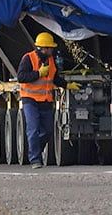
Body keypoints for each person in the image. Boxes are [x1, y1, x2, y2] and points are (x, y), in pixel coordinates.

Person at [16, 33, 78, 168]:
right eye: (49, 48)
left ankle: (35, 149)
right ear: (41, 48)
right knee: (33, 129)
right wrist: (38, 73)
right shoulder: (28, 58)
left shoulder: (51, 60)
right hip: (30, 99)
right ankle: (35, 160)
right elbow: (21, 77)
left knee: (48, 130)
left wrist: (67, 85)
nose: (51, 50)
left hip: (45, 100)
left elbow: (55, 78)